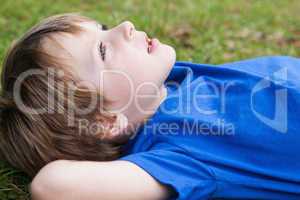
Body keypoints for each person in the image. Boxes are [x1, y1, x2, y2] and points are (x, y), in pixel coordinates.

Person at [0, 13, 299, 200]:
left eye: (102, 28)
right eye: (103, 50)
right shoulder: (178, 154)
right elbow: (52, 186)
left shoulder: (173, 81)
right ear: (106, 121)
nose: (125, 26)